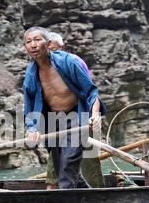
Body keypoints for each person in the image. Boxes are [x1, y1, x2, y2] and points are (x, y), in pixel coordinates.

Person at [23, 26, 106, 189]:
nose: (33, 45)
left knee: (68, 166)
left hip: (76, 117)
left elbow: (91, 91)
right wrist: (31, 128)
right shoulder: (31, 75)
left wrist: (95, 114)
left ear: (48, 43)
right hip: (53, 121)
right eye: (28, 42)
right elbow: (30, 106)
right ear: (25, 48)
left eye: (37, 40)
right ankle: (90, 199)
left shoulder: (68, 62)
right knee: (63, 168)